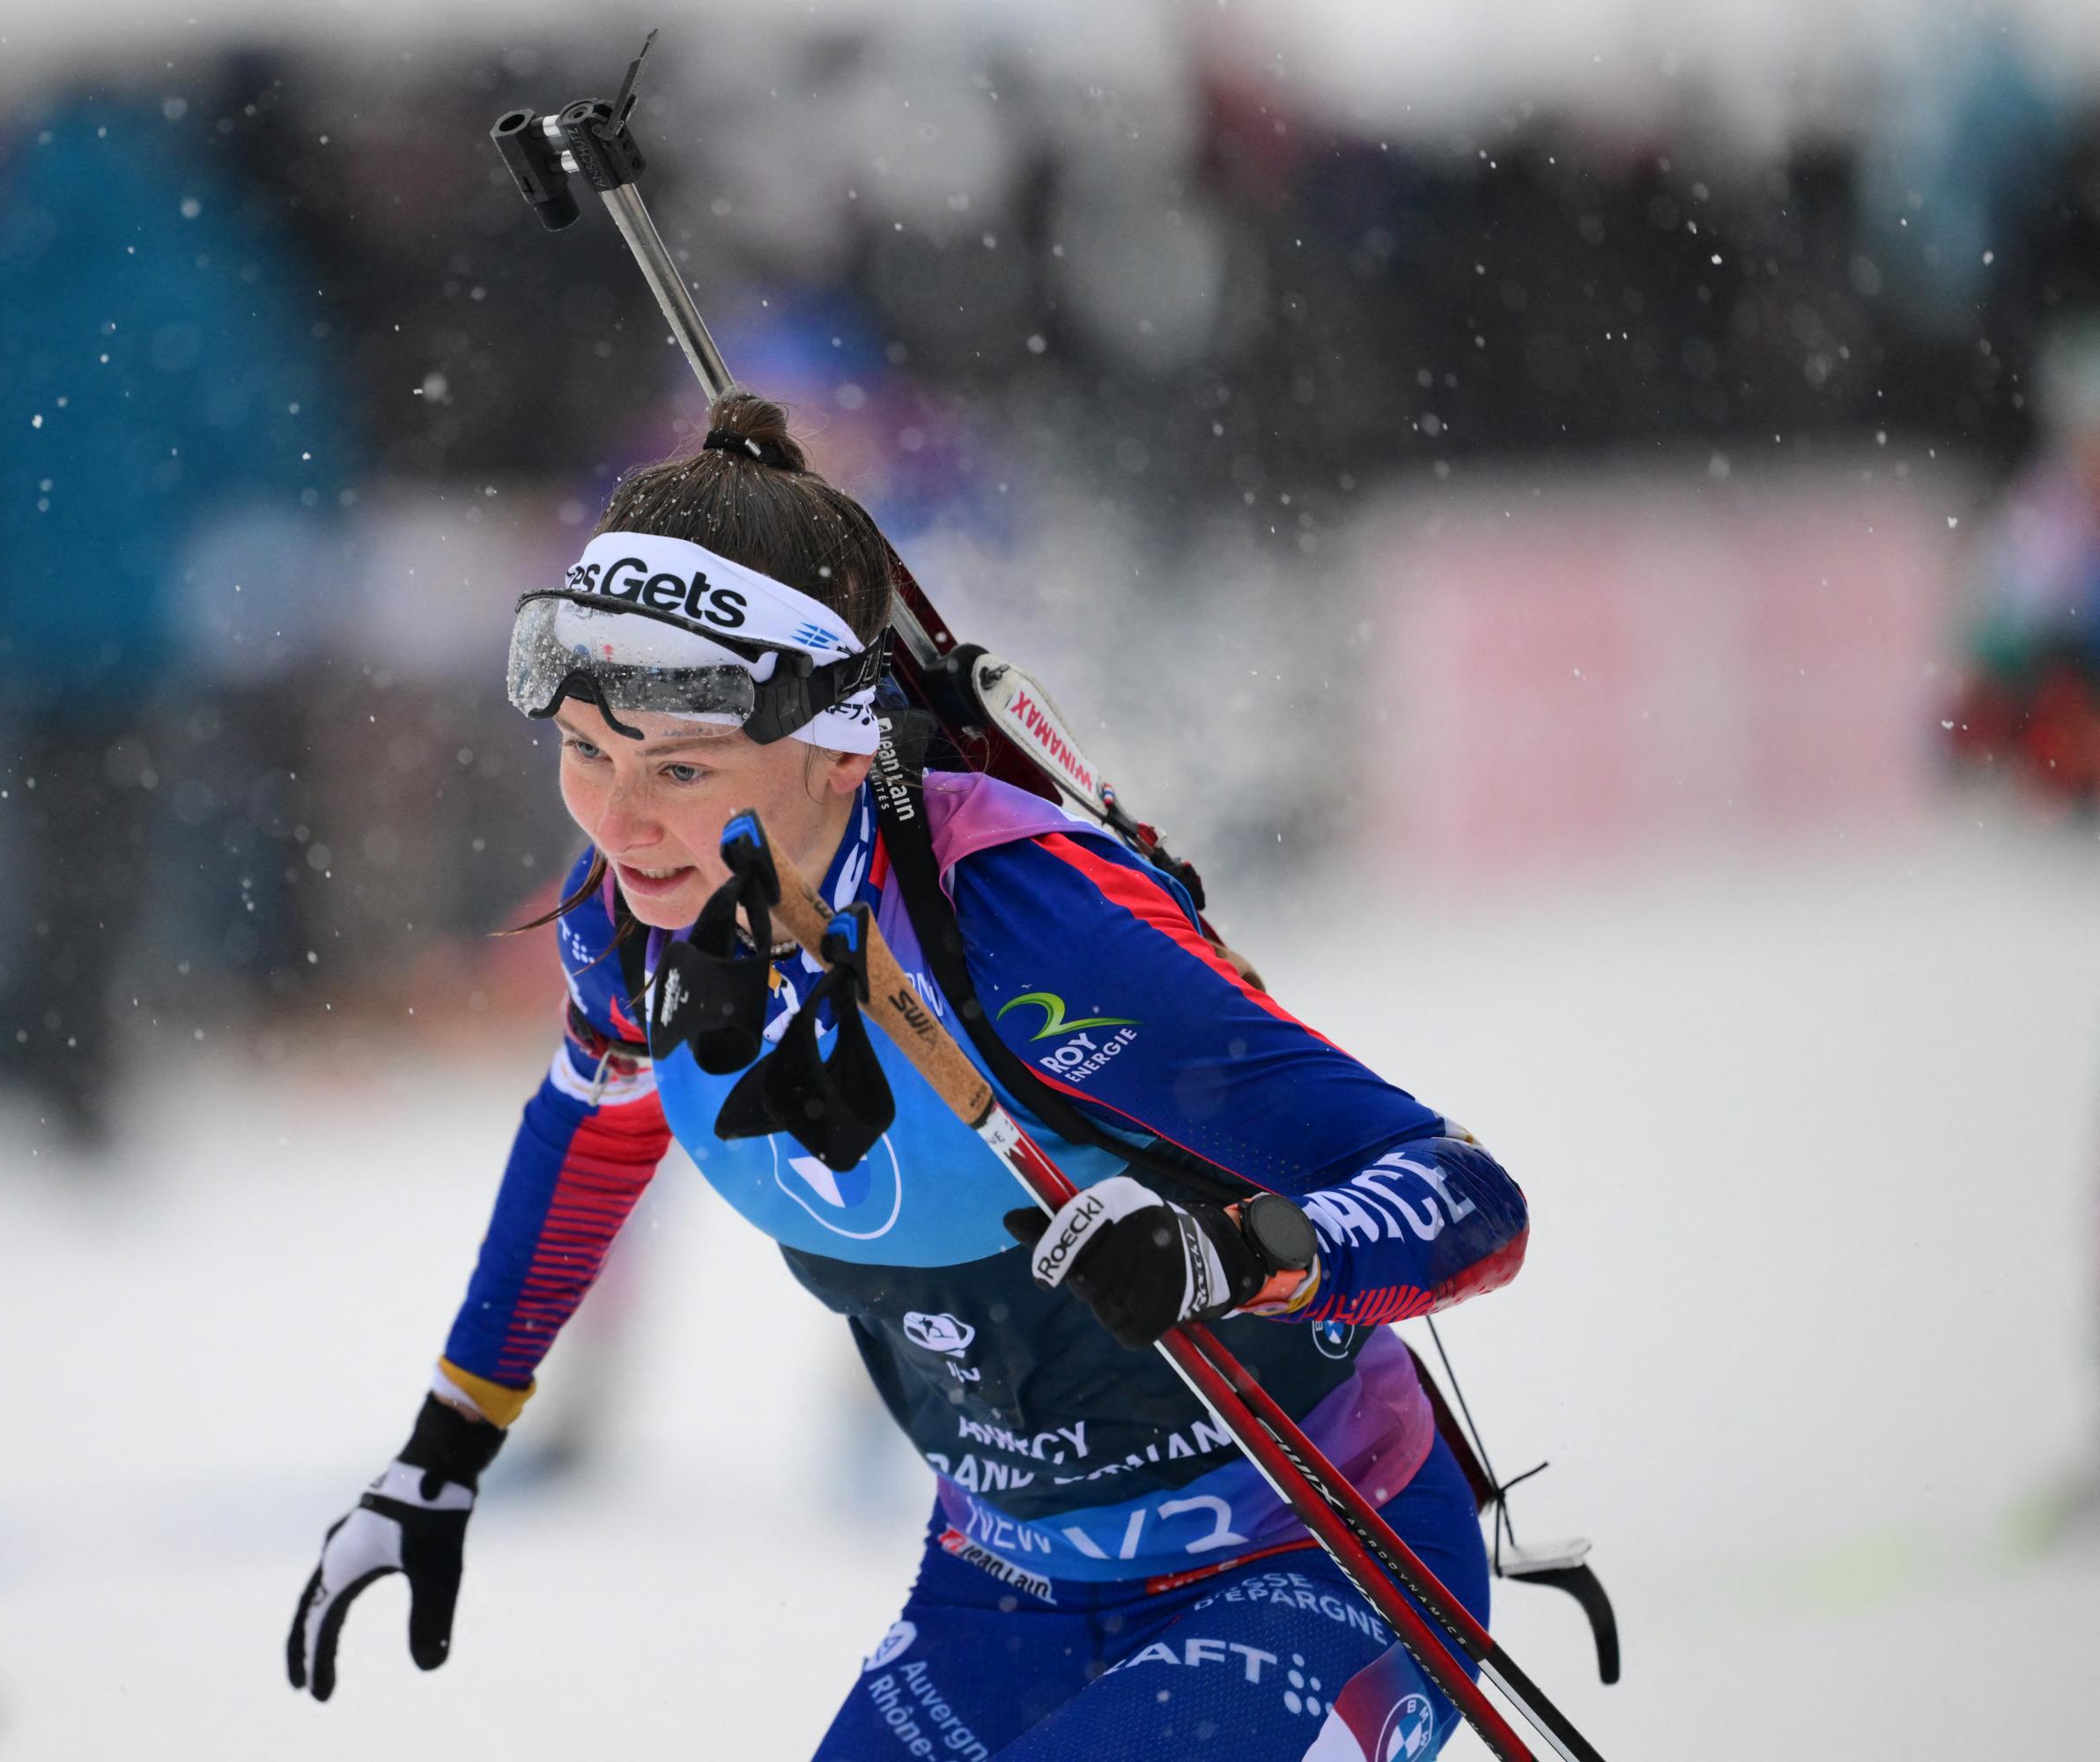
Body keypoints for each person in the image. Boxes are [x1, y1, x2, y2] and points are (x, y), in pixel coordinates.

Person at [285, 392, 1530, 1760]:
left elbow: (1466, 1197)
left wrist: (1237, 1254)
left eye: (683, 767)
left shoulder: (1029, 924)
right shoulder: (631, 917)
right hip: (1007, 1585)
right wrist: (444, 1453)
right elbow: (587, 1143)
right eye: (586, 750)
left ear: (834, 747)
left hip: (1314, 1560)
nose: (621, 819)